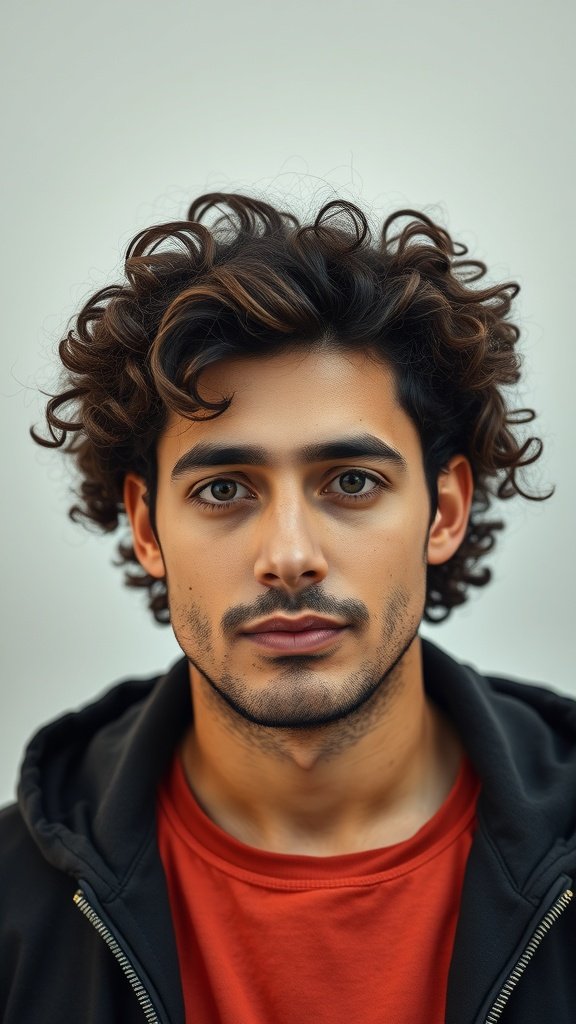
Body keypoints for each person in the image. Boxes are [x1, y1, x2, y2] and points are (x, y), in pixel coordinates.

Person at [1, 192, 574, 1024]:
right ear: (146, 527)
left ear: (444, 511)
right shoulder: (15, 908)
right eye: (224, 489)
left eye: (351, 482)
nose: (289, 556)